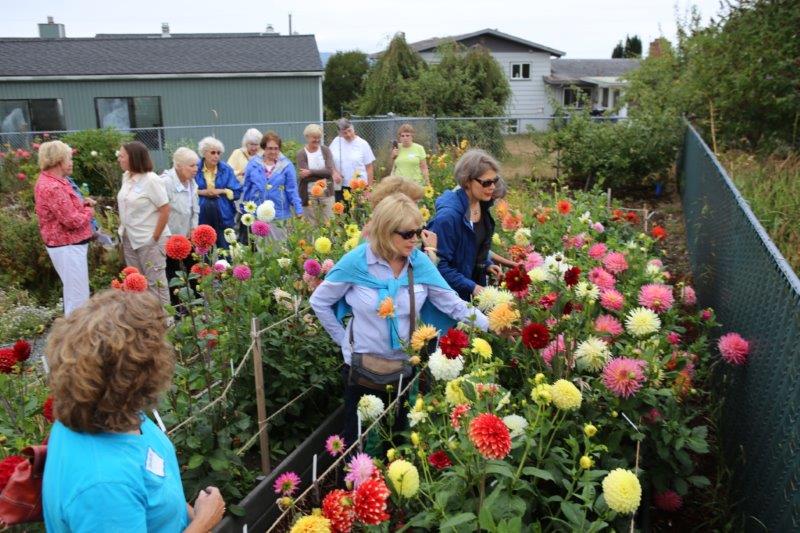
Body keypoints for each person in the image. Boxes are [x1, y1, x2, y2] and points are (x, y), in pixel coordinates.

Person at [310, 193, 488, 447]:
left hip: (405, 367)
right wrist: (343, 341)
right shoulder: (357, 262)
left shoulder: (420, 264)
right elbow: (320, 301)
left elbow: (453, 304)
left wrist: (492, 325)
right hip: (362, 367)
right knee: (358, 441)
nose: (415, 239)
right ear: (385, 231)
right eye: (407, 234)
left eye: (418, 231)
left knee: (399, 441)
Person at [42, 289, 226, 532]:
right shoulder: (104, 486)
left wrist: (189, 514)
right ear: (138, 375)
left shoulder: (110, 413)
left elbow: (152, 488)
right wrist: (204, 521)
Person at [427, 149, 502, 301]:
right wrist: (472, 287)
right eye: (486, 182)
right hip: (451, 298)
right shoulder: (448, 218)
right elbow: (438, 265)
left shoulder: (481, 205)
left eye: (495, 181)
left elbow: (470, 247)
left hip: (473, 290)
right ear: (467, 181)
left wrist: (486, 264)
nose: (492, 187)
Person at [33, 140, 95, 316]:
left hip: (68, 246)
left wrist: (82, 204)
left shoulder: (57, 181)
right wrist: (89, 212)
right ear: (59, 161)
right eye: (69, 158)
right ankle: (75, 340)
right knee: (78, 299)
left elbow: (66, 209)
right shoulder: (52, 186)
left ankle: (74, 337)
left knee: (75, 294)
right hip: (67, 247)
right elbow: (72, 221)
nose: (71, 162)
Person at [117, 141, 171, 307]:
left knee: (156, 285)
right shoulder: (126, 177)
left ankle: (166, 324)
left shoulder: (151, 180)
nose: (119, 158)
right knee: (137, 284)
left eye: (122, 155)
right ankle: (145, 323)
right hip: (129, 239)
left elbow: (165, 209)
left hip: (149, 240)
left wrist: (154, 238)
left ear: (133, 158)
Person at [241, 131, 303, 242]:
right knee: (262, 249)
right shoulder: (253, 164)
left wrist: (298, 209)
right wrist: (244, 207)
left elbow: (292, 190)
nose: (273, 151)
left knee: (279, 248)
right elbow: (247, 187)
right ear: (264, 148)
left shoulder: (287, 166)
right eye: (270, 148)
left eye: (276, 148)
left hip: (279, 213)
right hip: (258, 213)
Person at [160, 147, 200, 303]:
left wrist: (194, 228)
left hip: (188, 236)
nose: (196, 169)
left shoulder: (192, 182)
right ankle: (178, 309)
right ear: (178, 166)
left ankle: (196, 305)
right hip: (171, 239)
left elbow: (195, 208)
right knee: (174, 274)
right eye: (191, 165)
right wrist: (169, 237)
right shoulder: (165, 182)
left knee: (193, 272)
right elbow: (161, 212)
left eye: (196, 165)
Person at [367, 175, 438, 264]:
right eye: (414, 203)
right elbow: (421, 273)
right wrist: (431, 250)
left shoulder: (377, 228)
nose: (417, 209)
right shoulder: (377, 238)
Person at [196, 137, 241, 249]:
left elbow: (237, 192)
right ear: (204, 153)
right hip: (201, 215)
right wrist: (203, 192)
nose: (216, 156)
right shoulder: (195, 168)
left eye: (218, 153)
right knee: (203, 252)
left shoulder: (226, 169)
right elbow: (188, 191)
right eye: (213, 152)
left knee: (226, 251)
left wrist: (221, 191)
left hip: (223, 215)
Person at [296, 123, 335, 225]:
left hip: (326, 193)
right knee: (311, 224)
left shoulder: (325, 150)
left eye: (319, 137)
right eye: (314, 137)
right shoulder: (301, 153)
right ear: (307, 137)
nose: (317, 140)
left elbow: (329, 171)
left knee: (329, 222)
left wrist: (310, 172)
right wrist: (322, 173)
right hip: (309, 195)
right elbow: (304, 177)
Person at [328, 118, 376, 201]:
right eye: (344, 133)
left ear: (353, 128)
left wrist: (369, 189)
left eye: (350, 131)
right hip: (340, 187)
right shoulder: (336, 142)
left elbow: (369, 168)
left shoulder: (363, 144)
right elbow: (329, 160)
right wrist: (334, 172)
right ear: (339, 133)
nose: (348, 134)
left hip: (359, 187)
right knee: (342, 213)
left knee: (359, 213)